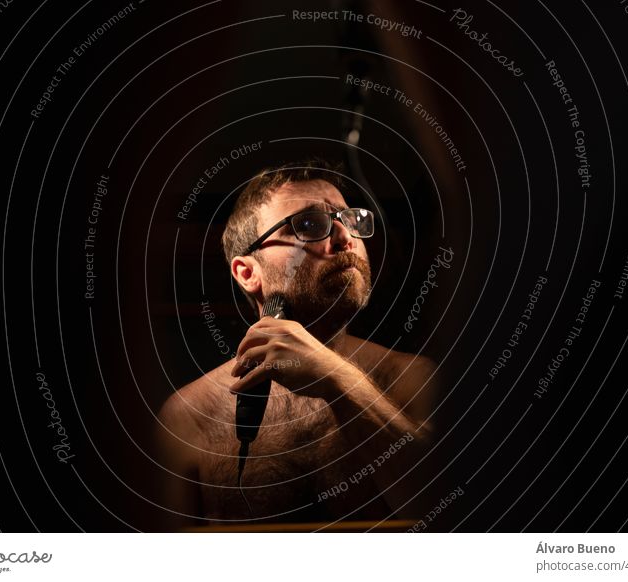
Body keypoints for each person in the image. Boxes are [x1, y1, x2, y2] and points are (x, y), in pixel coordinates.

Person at [156, 159, 438, 529]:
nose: (345, 239)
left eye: (351, 220)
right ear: (247, 272)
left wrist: (337, 377)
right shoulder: (188, 418)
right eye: (308, 225)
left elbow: (461, 509)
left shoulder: (413, 378)